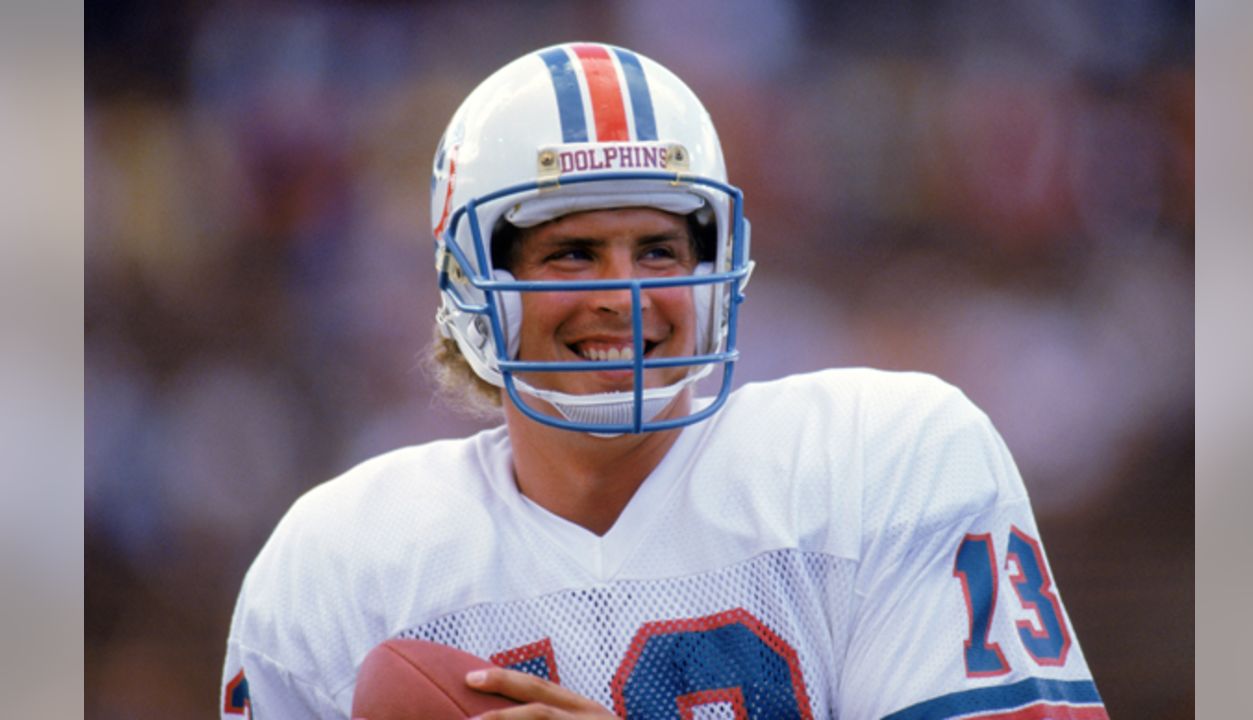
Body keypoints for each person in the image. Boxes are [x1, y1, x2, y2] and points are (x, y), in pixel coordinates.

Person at [221, 42, 1108, 719]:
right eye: (572, 253)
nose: (623, 292)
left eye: (657, 249)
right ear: (473, 288)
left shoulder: (880, 461)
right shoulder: (340, 565)